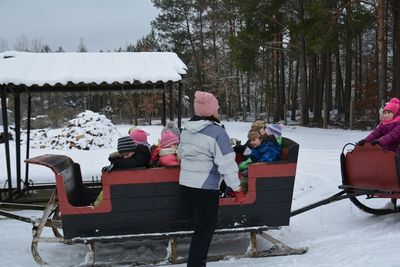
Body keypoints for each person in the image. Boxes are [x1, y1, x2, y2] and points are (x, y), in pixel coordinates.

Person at [178, 90, 245, 267]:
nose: (219, 111)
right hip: (205, 189)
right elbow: (227, 164)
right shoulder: (217, 132)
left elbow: (181, 154)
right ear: (210, 112)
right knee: (204, 231)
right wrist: (237, 189)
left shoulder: (186, 130)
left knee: (200, 229)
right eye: (217, 108)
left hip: (186, 185)